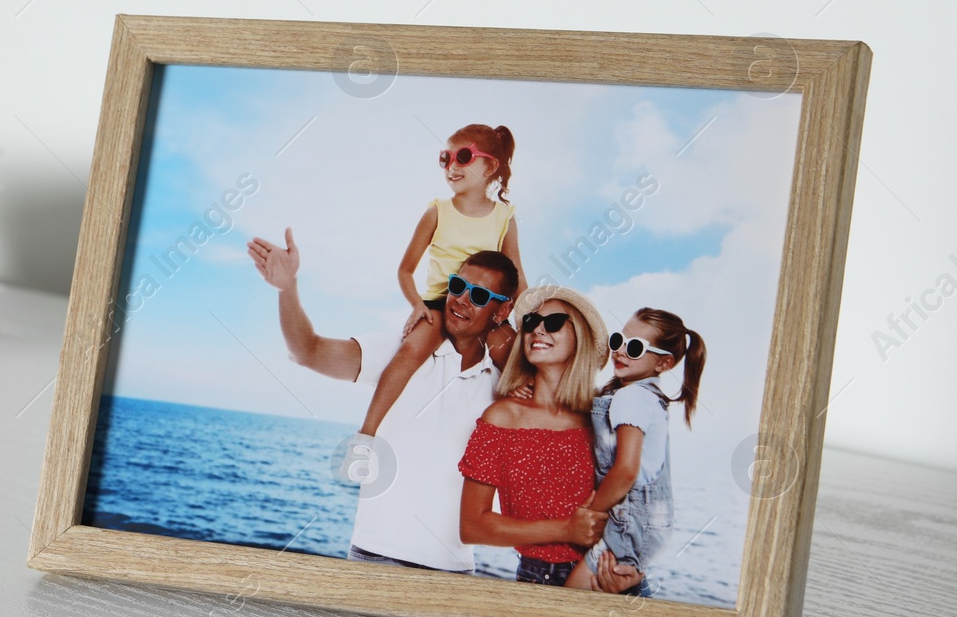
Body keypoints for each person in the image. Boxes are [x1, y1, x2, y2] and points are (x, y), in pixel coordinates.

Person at [247, 228, 516, 571]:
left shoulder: (504, 388)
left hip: (455, 574)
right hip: (373, 560)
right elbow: (308, 351)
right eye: (458, 286)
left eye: (479, 295)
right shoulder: (400, 351)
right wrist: (288, 289)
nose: (462, 300)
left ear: (501, 310)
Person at [355, 125, 527, 451]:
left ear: (490, 167)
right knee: (409, 352)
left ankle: (515, 446)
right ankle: (366, 433)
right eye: (445, 158)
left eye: (463, 157)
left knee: (517, 357)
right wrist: (418, 305)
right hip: (439, 302)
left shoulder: (504, 218)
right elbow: (406, 270)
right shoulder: (438, 211)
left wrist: (526, 318)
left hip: (485, 306)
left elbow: (517, 273)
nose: (452, 166)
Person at [458, 286, 621, 587]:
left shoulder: (604, 418)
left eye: (555, 322)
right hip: (541, 579)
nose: (539, 330)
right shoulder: (503, 418)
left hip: (607, 577)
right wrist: (565, 530)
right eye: (531, 323)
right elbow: (473, 526)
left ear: (580, 337)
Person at [565, 308, 707, 594]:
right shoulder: (644, 395)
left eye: (634, 347)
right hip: (647, 524)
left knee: (568, 602)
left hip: (630, 522)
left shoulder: (631, 396)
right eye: (618, 341)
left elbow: (626, 470)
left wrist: (590, 515)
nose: (620, 352)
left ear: (664, 363)